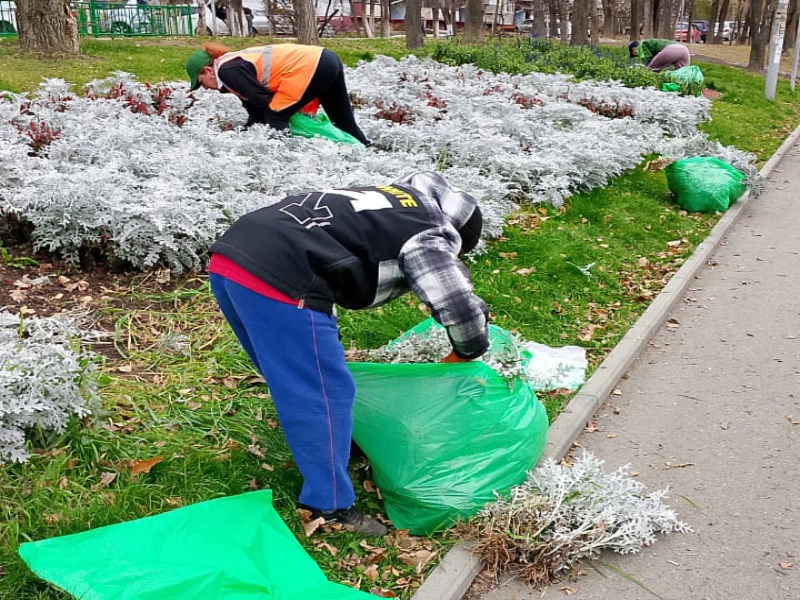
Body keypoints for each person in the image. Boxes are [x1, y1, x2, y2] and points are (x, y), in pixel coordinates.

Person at [207, 172, 490, 535]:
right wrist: (468, 352)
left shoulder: (399, 201)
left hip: (234, 257)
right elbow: (457, 304)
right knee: (322, 395)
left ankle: (330, 446)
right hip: (281, 276)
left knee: (293, 378)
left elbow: (336, 245)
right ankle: (330, 506)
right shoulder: (430, 234)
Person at [185, 42, 370, 145]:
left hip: (309, 66)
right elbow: (255, 109)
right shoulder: (232, 65)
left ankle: (282, 156)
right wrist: (247, 129)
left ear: (208, 71)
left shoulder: (227, 70)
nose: (206, 89)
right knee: (341, 117)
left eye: (202, 84)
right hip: (325, 59)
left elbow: (261, 100)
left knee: (276, 114)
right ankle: (364, 148)